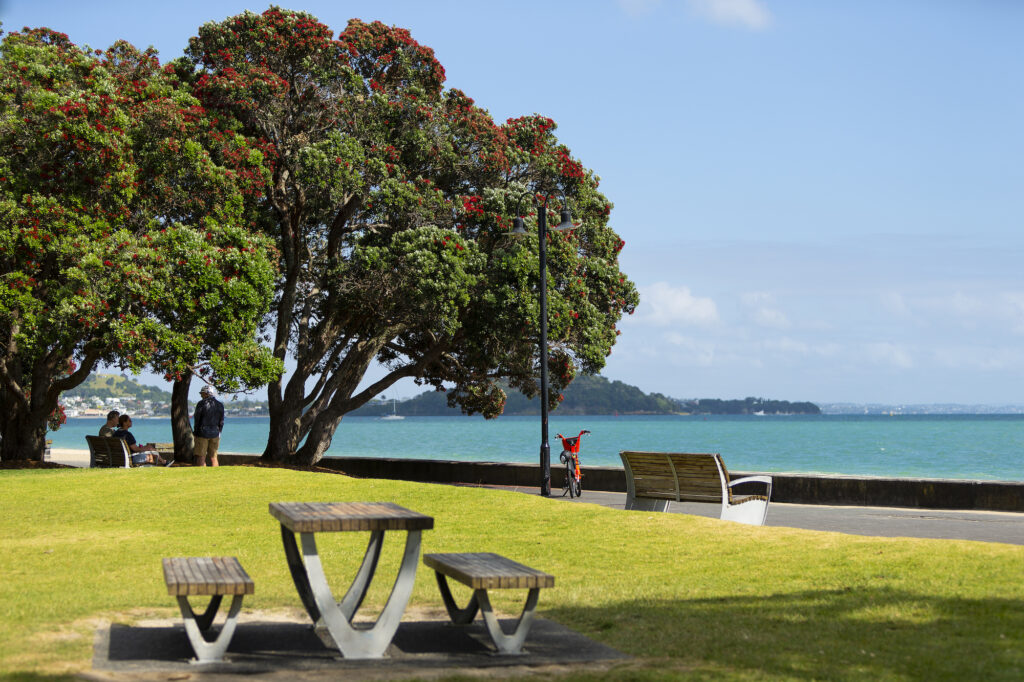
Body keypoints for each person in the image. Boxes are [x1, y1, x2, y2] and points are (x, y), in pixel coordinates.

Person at [193, 385, 225, 467]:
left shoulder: (201, 404)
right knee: (214, 457)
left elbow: (197, 419)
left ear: (207, 393)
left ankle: (200, 475)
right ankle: (215, 474)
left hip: (202, 433)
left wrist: (195, 433)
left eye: (202, 393)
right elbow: (221, 421)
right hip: (215, 433)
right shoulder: (220, 405)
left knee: (201, 456)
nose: (201, 395)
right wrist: (219, 432)